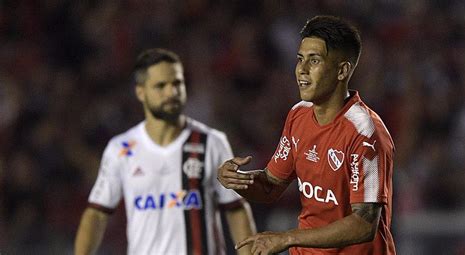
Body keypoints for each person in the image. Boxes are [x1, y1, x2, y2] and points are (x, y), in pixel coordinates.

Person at [218, 15, 396, 255]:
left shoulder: (366, 132)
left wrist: (288, 238)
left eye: (314, 61)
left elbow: (364, 223)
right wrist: (240, 181)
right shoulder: (298, 115)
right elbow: (271, 185)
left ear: (342, 70)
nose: (301, 70)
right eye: (300, 59)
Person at [75, 48, 256, 255]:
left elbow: (235, 208)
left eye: (177, 83)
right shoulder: (121, 148)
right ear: (140, 92)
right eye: (161, 86)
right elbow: (97, 213)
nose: (172, 92)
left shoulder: (211, 143)